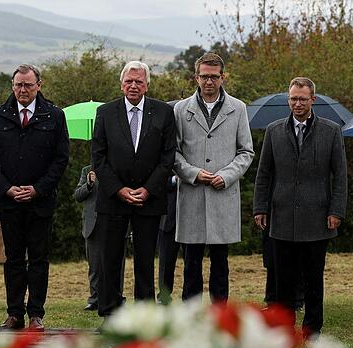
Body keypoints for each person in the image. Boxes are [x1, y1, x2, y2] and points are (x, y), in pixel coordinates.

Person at [253, 77, 347, 337]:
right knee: (283, 278)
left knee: (314, 278)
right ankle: (284, 328)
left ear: (312, 100)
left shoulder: (331, 131)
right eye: (293, 98)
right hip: (281, 217)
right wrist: (260, 207)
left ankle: (312, 329)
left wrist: (336, 211)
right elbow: (264, 174)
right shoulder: (273, 130)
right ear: (288, 99)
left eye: (302, 99)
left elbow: (340, 175)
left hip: (317, 218)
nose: (297, 103)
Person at [0, 64, 69, 331]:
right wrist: (6, 188)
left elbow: (60, 159)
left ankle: (36, 315)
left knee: (39, 259)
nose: (23, 90)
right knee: (14, 259)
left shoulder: (53, 116)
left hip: (40, 201)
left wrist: (37, 188)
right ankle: (14, 313)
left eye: (28, 85)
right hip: (9, 202)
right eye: (18, 85)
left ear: (38, 85)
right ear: (12, 86)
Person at [91, 60, 176, 318]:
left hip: (148, 200)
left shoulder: (163, 113)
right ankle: (110, 314)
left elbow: (168, 156)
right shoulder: (106, 112)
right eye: (129, 81)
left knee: (145, 260)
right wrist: (119, 189)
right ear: (121, 84)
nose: (133, 85)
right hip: (113, 199)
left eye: (139, 81)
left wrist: (148, 189)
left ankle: (144, 317)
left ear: (147, 85)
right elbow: (99, 156)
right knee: (110, 260)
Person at [173, 52, 254, 304]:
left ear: (223, 77)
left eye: (214, 77)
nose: (209, 82)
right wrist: (193, 173)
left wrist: (227, 176)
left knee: (221, 264)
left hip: (223, 197)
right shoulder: (180, 109)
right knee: (191, 266)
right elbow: (173, 152)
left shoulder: (238, 108)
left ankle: (221, 318)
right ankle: (191, 318)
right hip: (191, 195)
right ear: (196, 78)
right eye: (204, 77)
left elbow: (246, 151)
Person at [74, 164, 127, 310]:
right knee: (95, 264)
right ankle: (95, 298)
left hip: (114, 220)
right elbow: (78, 195)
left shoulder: (118, 167)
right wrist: (89, 184)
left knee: (117, 263)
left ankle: (117, 297)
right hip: (93, 224)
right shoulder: (87, 170)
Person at [156, 173, 180, 305]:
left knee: (191, 261)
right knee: (166, 262)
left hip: (191, 218)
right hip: (168, 218)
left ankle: (190, 298)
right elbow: (157, 181)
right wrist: (174, 179)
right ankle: (164, 296)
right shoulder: (166, 155)